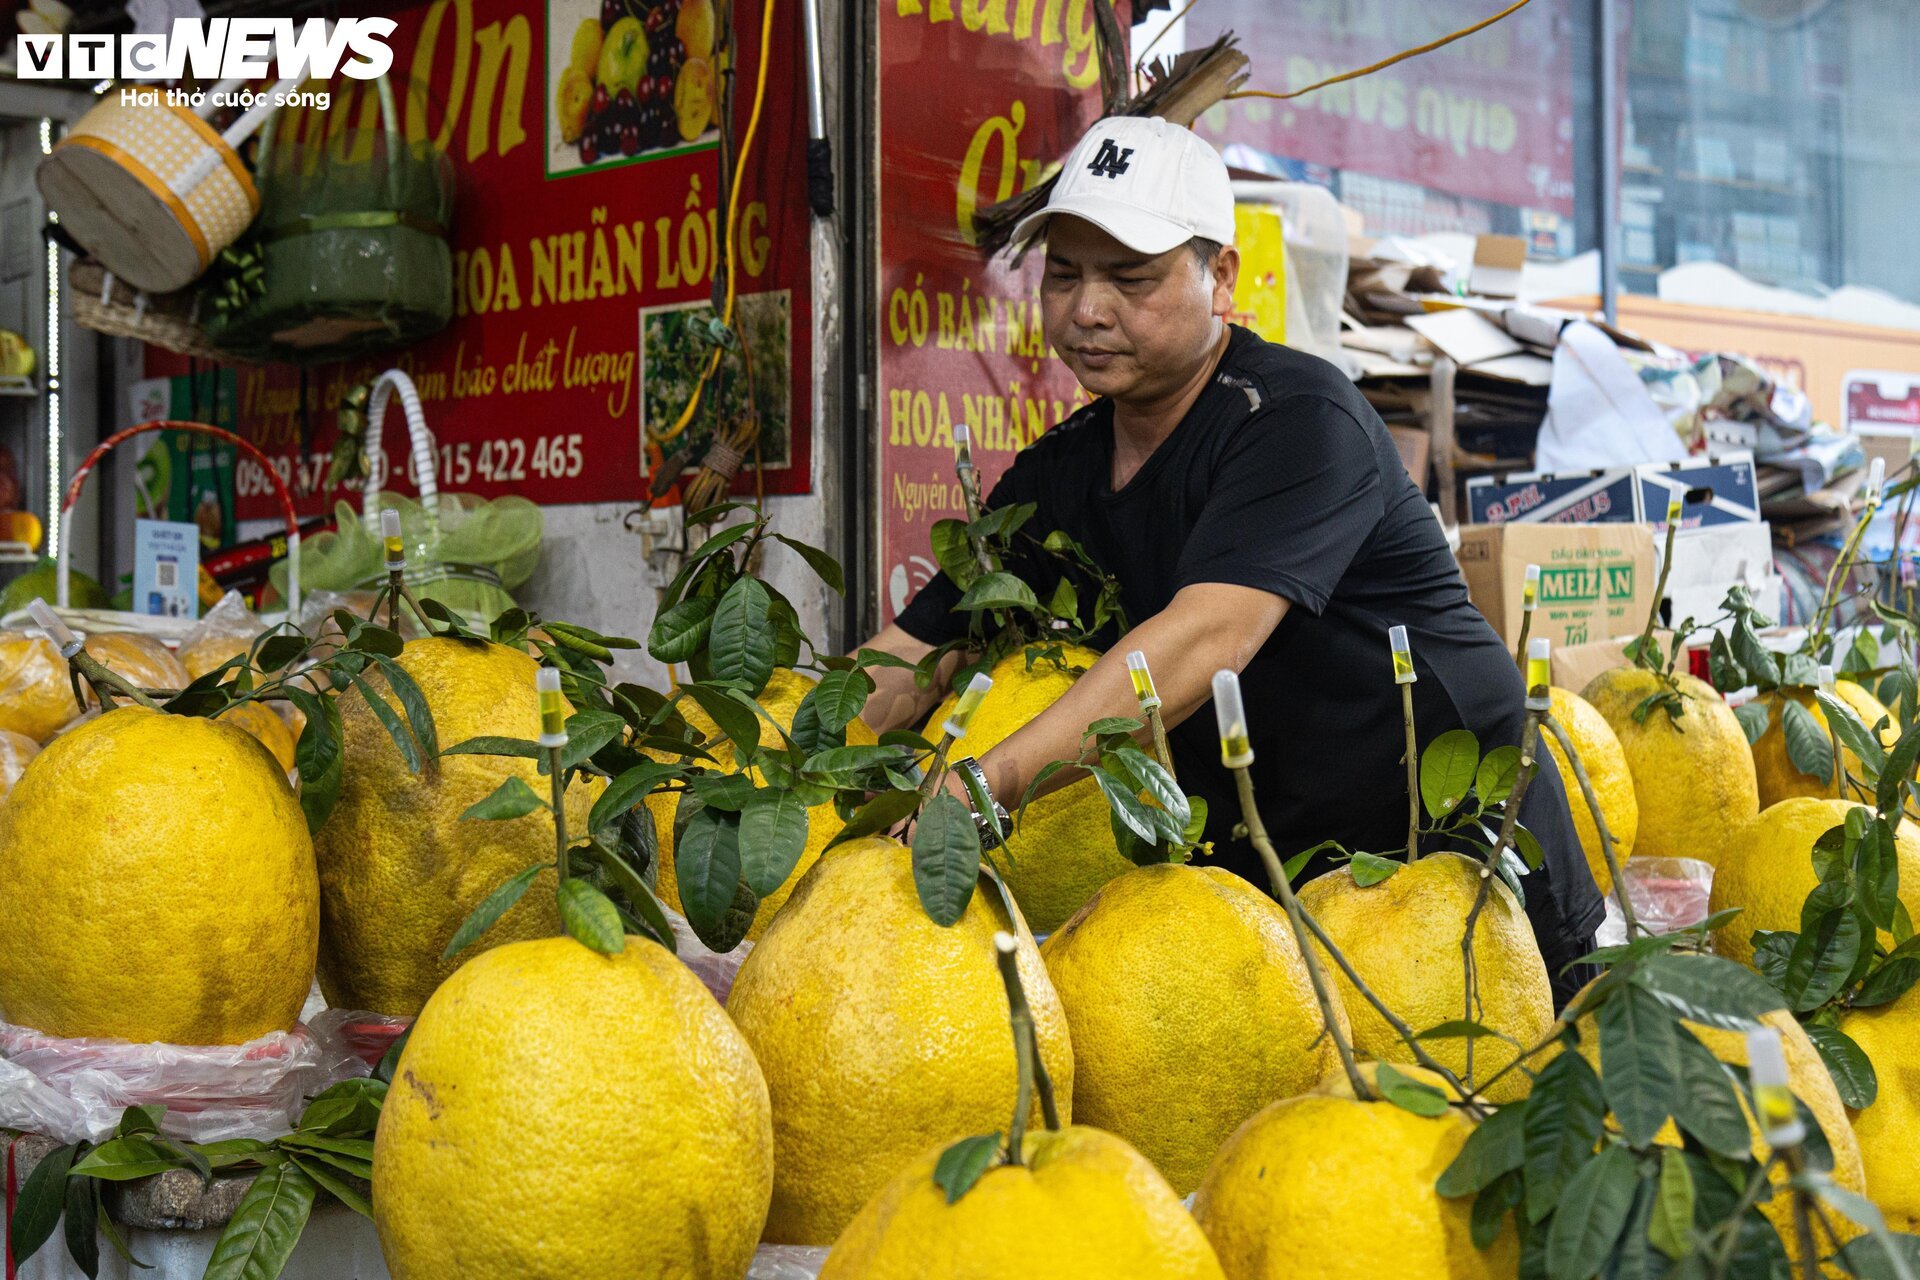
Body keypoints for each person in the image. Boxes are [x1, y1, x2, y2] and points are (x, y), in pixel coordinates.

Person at [855, 115, 1602, 1000]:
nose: (1087, 309)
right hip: (1284, 901)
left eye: (1130, 278)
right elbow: (925, 647)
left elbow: (1205, 639)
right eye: (1063, 275)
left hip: (1457, 860)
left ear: (1221, 277)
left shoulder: (1295, 419)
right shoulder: (1062, 473)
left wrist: (986, 791)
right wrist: (803, 763)